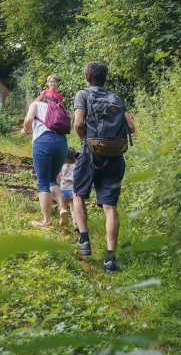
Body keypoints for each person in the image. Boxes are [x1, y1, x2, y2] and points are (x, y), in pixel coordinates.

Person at [72, 62, 135, 274]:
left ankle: (84, 240)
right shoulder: (115, 98)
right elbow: (132, 127)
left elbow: (78, 124)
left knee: (78, 194)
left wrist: (87, 141)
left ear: (87, 77)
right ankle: (110, 260)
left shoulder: (82, 95)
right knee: (110, 206)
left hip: (90, 155)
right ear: (105, 78)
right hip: (115, 156)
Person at [23, 94, 69, 227]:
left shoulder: (35, 104)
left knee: (43, 182)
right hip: (61, 142)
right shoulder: (59, 108)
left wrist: (25, 129)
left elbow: (29, 120)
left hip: (43, 141)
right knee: (52, 179)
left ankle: (46, 220)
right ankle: (62, 208)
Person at [58, 148, 76, 229]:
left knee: (62, 206)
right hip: (73, 189)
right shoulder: (76, 166)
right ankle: (75, 223)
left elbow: (58, 178)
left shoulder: (62, 166)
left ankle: (62, 220)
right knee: (73, 207)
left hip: (64, 188)